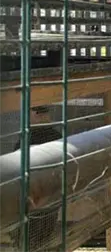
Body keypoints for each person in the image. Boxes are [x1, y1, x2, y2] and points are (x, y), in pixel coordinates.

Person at [12, 106, 62, 251]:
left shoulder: (24, 140)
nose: (41, 115)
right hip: (39, 200)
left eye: (43, 111)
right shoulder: (27, 140)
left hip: (42, 200)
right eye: (38, 112)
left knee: (36, 237)